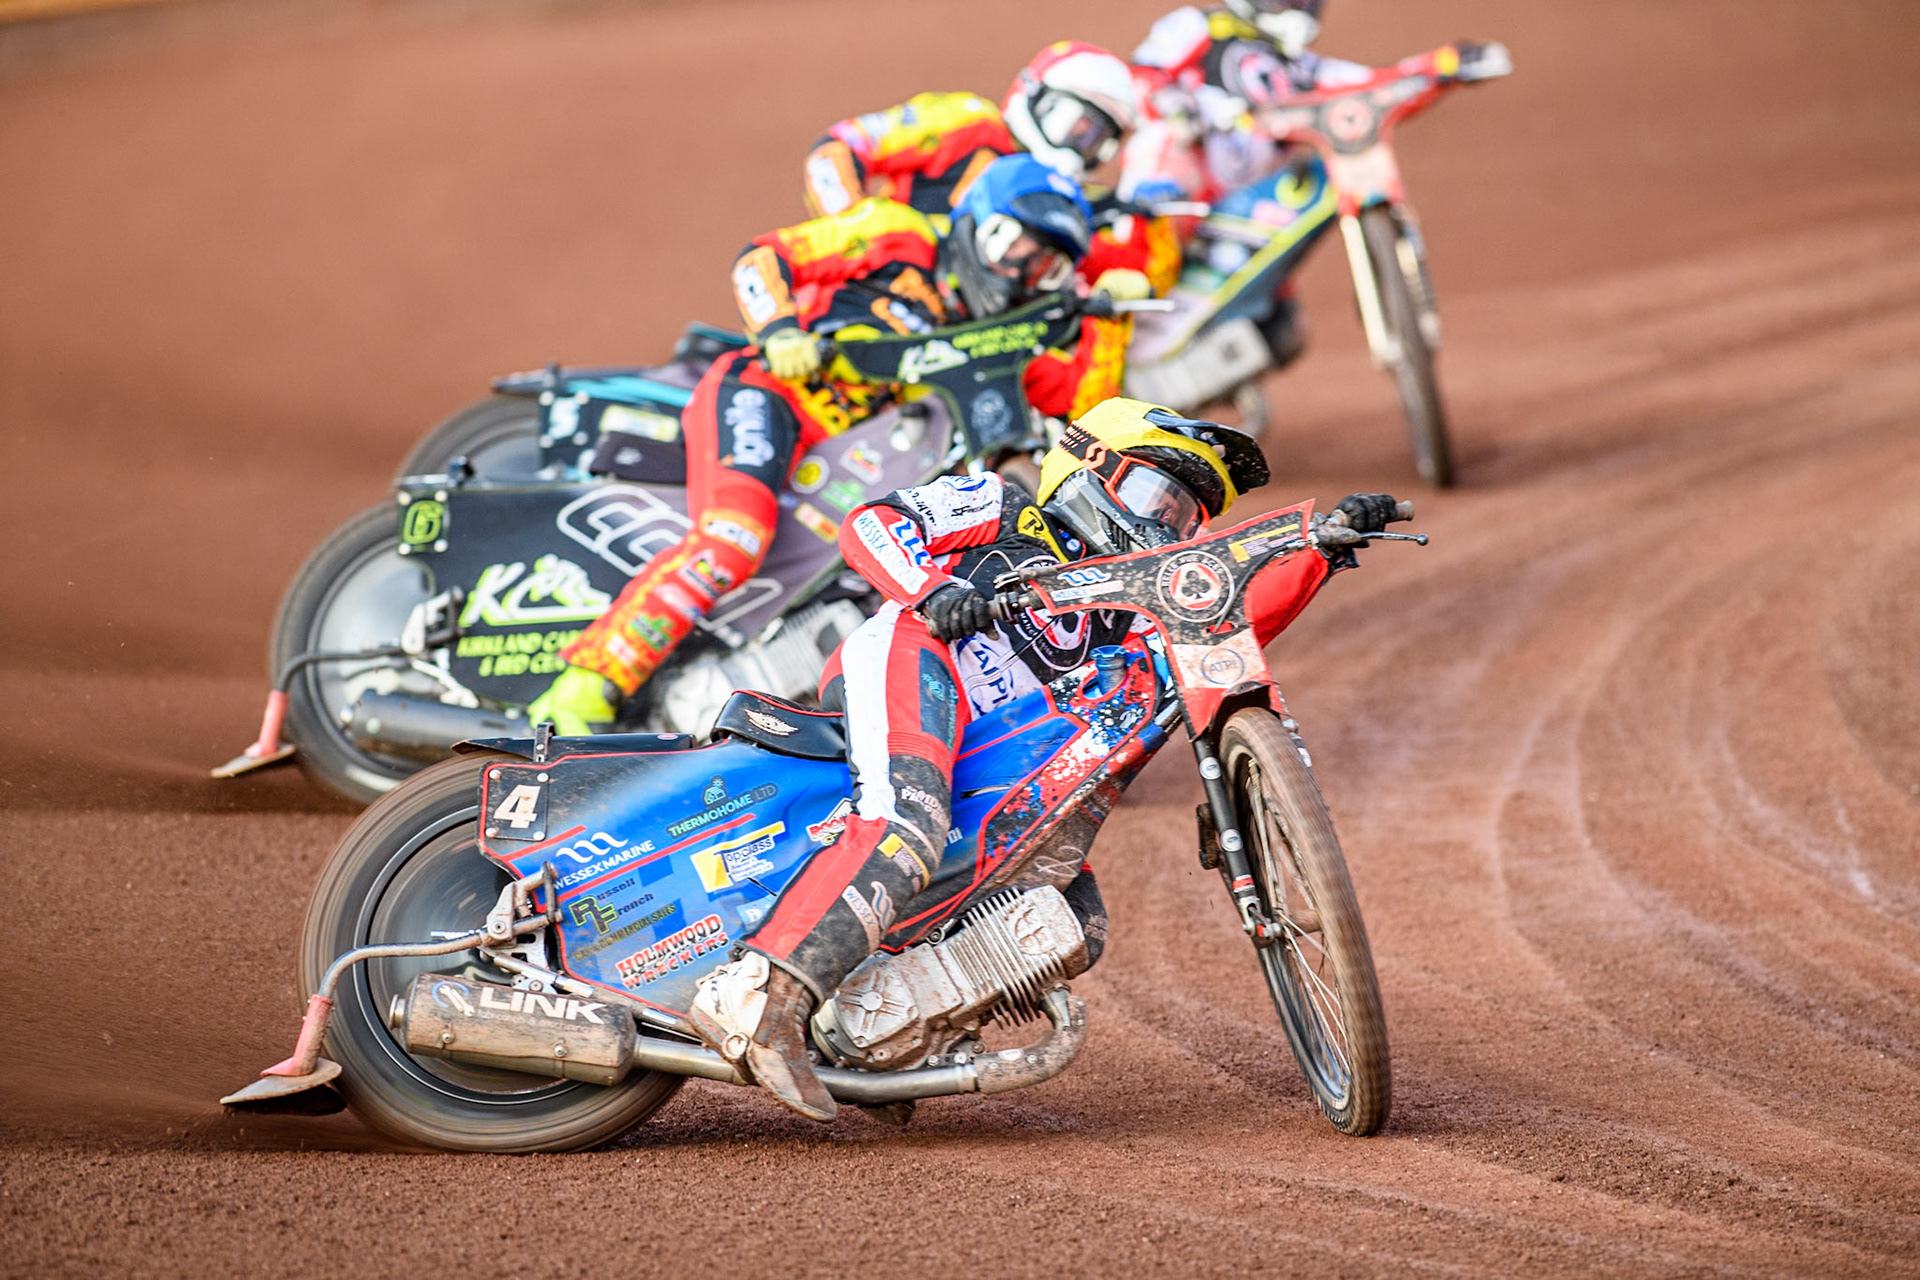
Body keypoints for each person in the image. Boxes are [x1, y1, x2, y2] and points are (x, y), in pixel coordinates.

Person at [686, 394, 1403, 1120]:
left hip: (998, 756)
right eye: (1156, 493)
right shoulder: (1002, 506)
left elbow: (1225, 609)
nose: (1166, 524)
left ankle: (871, 1034)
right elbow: (873, 523)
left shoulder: (1133, 606)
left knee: (1069, 917)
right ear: (1088, 467)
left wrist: (1320, 546)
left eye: (1186, 515)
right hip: (915, 658)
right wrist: (932, 589)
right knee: (908, 818)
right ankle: (763, 1000)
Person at [526, 156, 1135, 732]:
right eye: (1015, 247)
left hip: (853, 460)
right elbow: (764, 259)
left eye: (1047, 266)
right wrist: (780, 329)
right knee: (733, 538)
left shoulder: (996, 334)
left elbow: (1076, 411)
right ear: (977, 221)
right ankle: (583, 688)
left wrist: (1111, 324)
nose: (1020, 274)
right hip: (768, 396)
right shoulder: (897, 234)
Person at [801, 42, 1180, 306]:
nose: (1081, 147)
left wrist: (1151, 220)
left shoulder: (1065, 202)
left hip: (962, 332)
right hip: (869, 295)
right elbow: (837, 149)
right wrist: (854, 231)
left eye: (1098, 140)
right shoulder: (968, 123)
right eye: (1076, 126)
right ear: (1036, 96)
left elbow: (1140, 275)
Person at [1120, 1, 1373, 364]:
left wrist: (1446, 65)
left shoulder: (1303, 67)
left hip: (1249, 207)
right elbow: (1142, 72)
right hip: (1189, 192)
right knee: (1161, 141)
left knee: (1284, 334)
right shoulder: (1200, 26)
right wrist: (1180, 110)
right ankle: (1132, 278)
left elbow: (1377, 88)